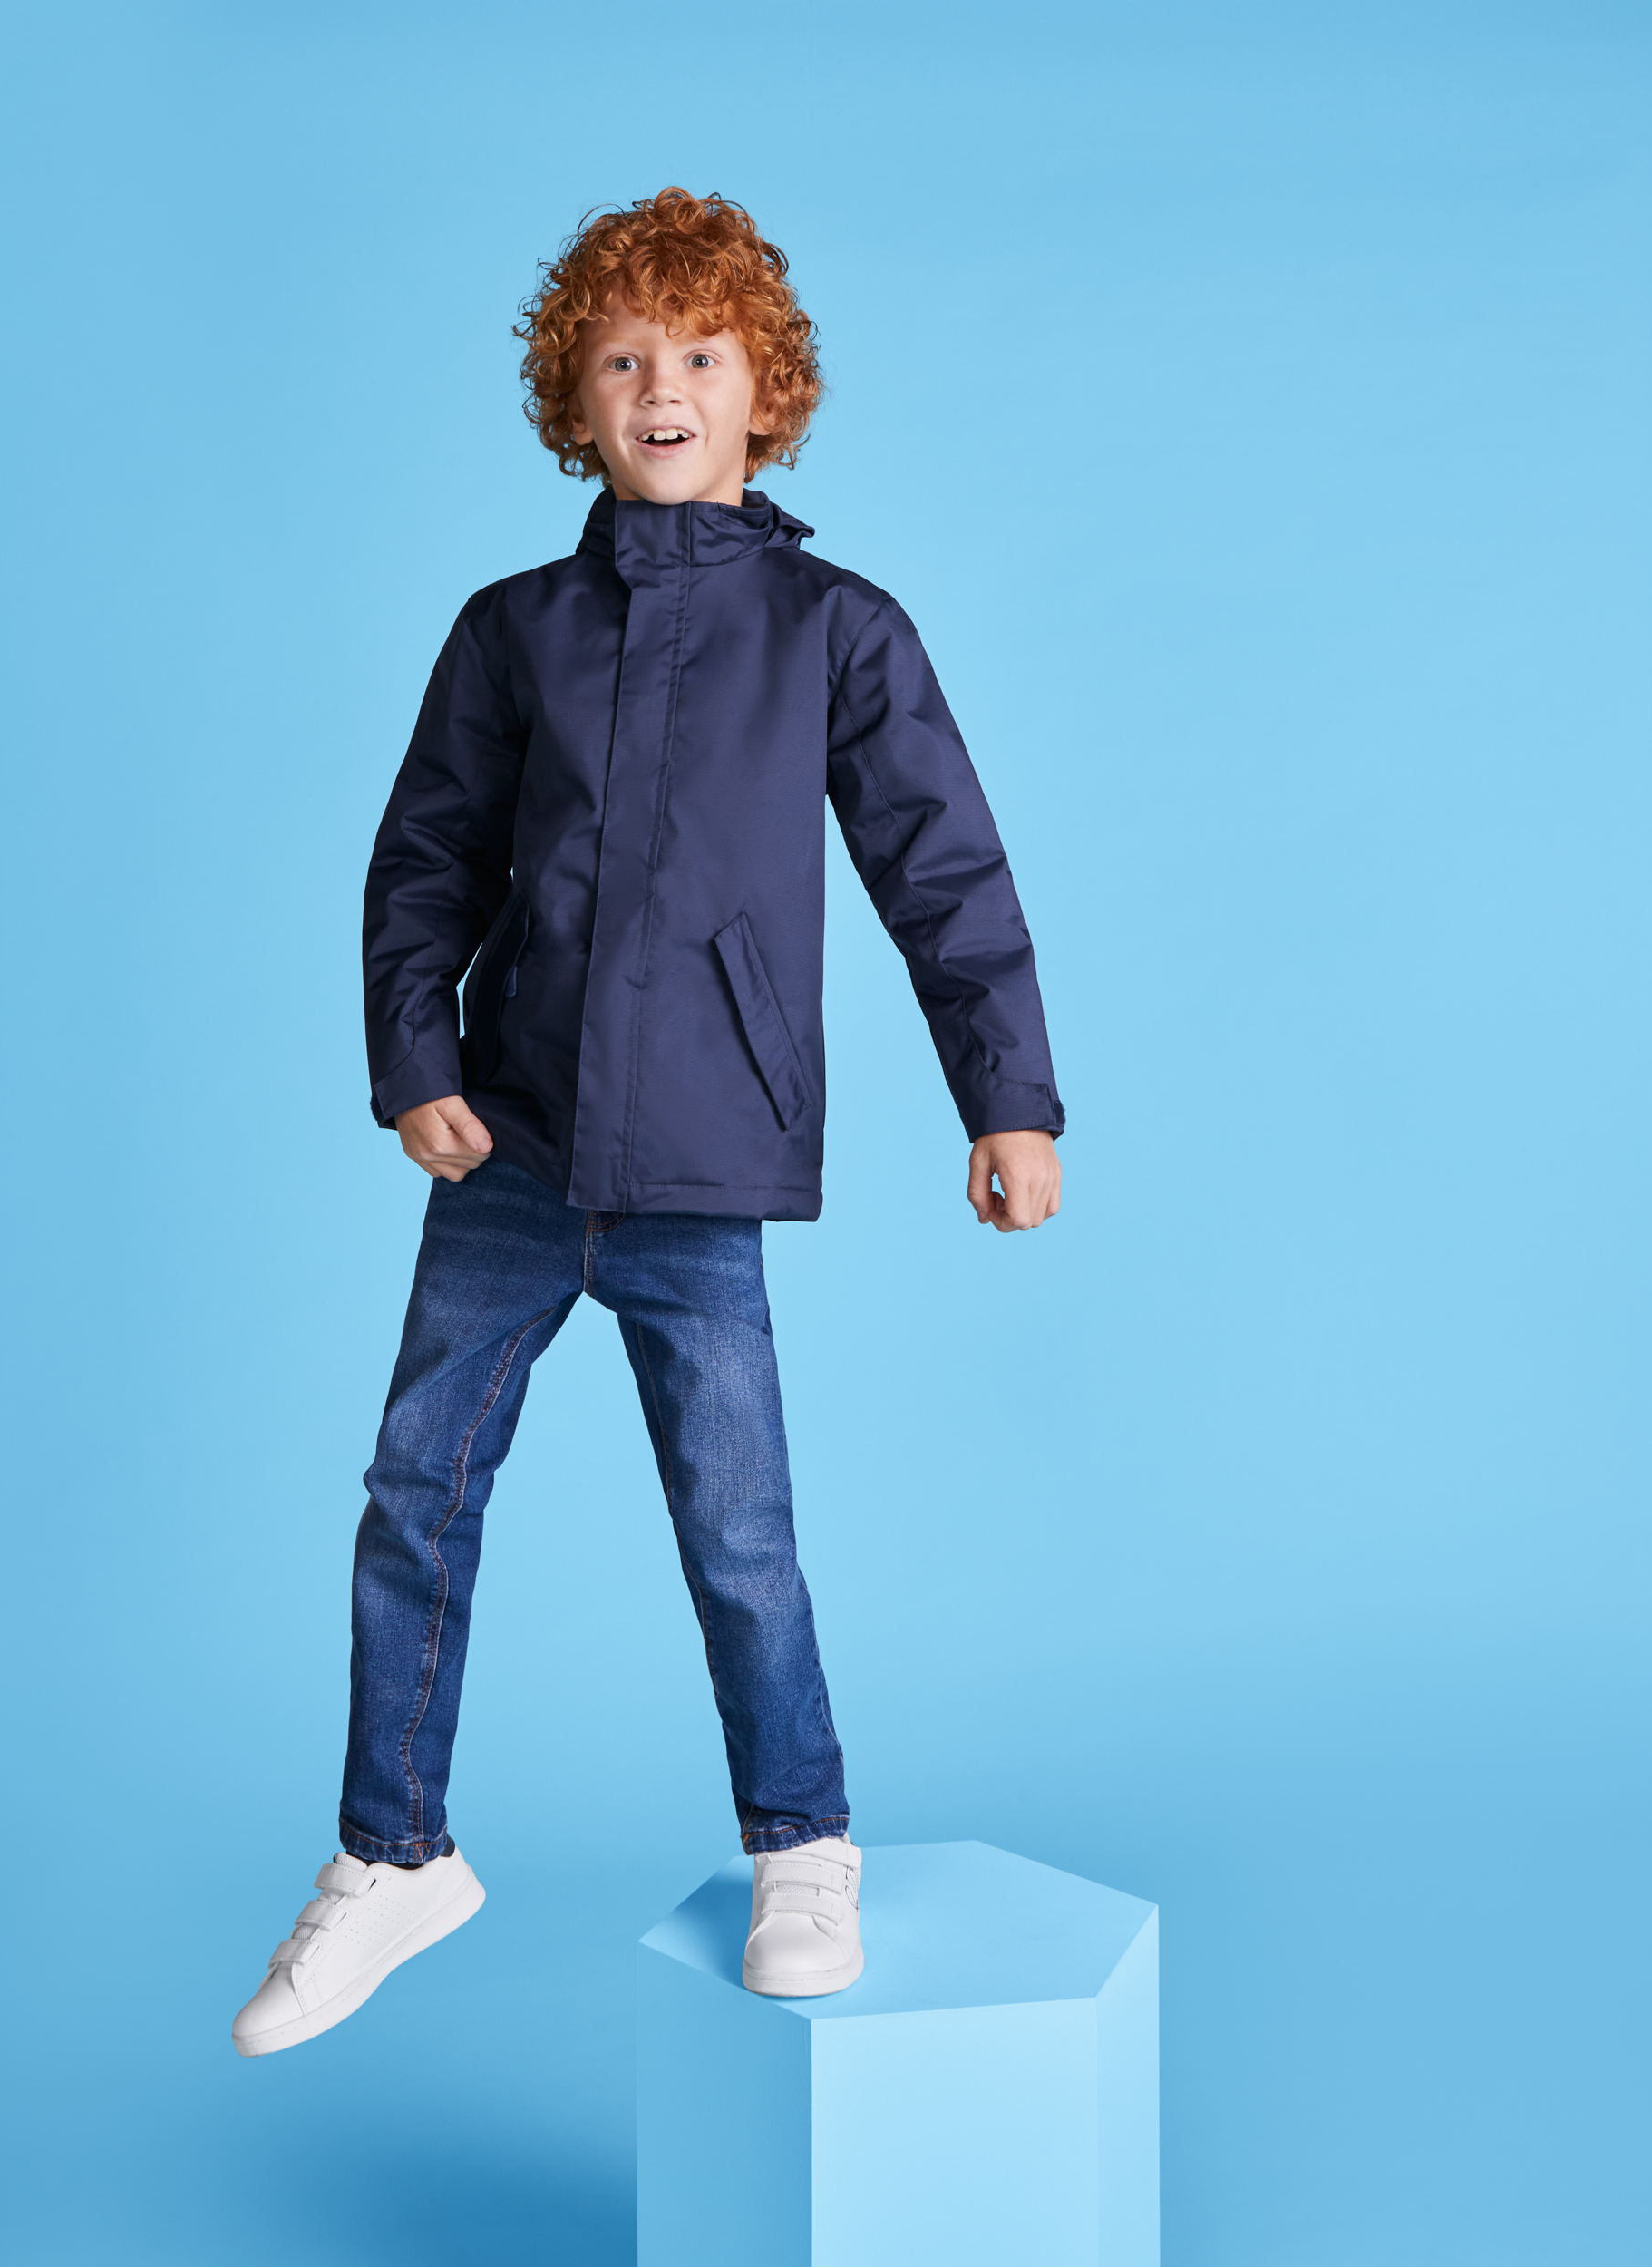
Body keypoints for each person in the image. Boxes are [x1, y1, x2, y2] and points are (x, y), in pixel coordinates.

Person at [232, 188, 1064, 2058]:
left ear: (767, 391)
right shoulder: (512, 631)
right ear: (575, 402)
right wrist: (416, 1061)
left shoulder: (837, 632)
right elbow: (424, 859)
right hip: (513, 1152)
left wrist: (1008, 1098)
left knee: (737, 1532)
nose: (660, 387)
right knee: (414, 1495)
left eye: (698, 354)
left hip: (701, 1160)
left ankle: (804, 1842)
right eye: (620, 359)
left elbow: (945, 874)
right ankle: (390, 1853)